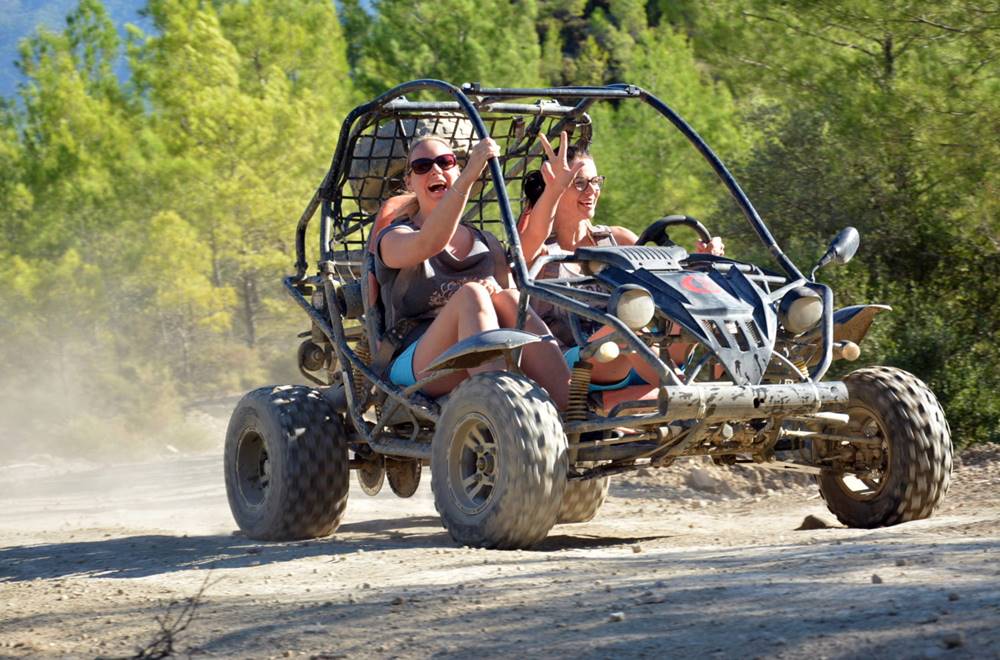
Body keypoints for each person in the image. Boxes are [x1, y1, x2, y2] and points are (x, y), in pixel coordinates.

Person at [374, 134, 570, 407]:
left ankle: (574, 412)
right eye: (422, 166)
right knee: (472, 295)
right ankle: (508, 412)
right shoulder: (394, 237)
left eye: (445, 162)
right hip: (415, 364)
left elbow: (528, 251)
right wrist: (468, 177)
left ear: (455, 168)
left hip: (485, 360)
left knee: (510, 299)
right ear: (409, 181)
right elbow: (429, 242)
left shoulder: (485, 242)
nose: (435, 170)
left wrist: (555, 190)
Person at [518, 132, 725, 389]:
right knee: (627, 328)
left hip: (641, 357)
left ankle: (740, 400)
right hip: (575, 363)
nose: (592, 190)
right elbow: (531, 239)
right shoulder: (538, 249)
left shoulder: (617, 239)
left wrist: (703, 264)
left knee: (705, 313)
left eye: (596, 181)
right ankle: (687, 396)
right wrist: (554, 189)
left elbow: (668, 281)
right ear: (556, 186)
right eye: (579, 183)